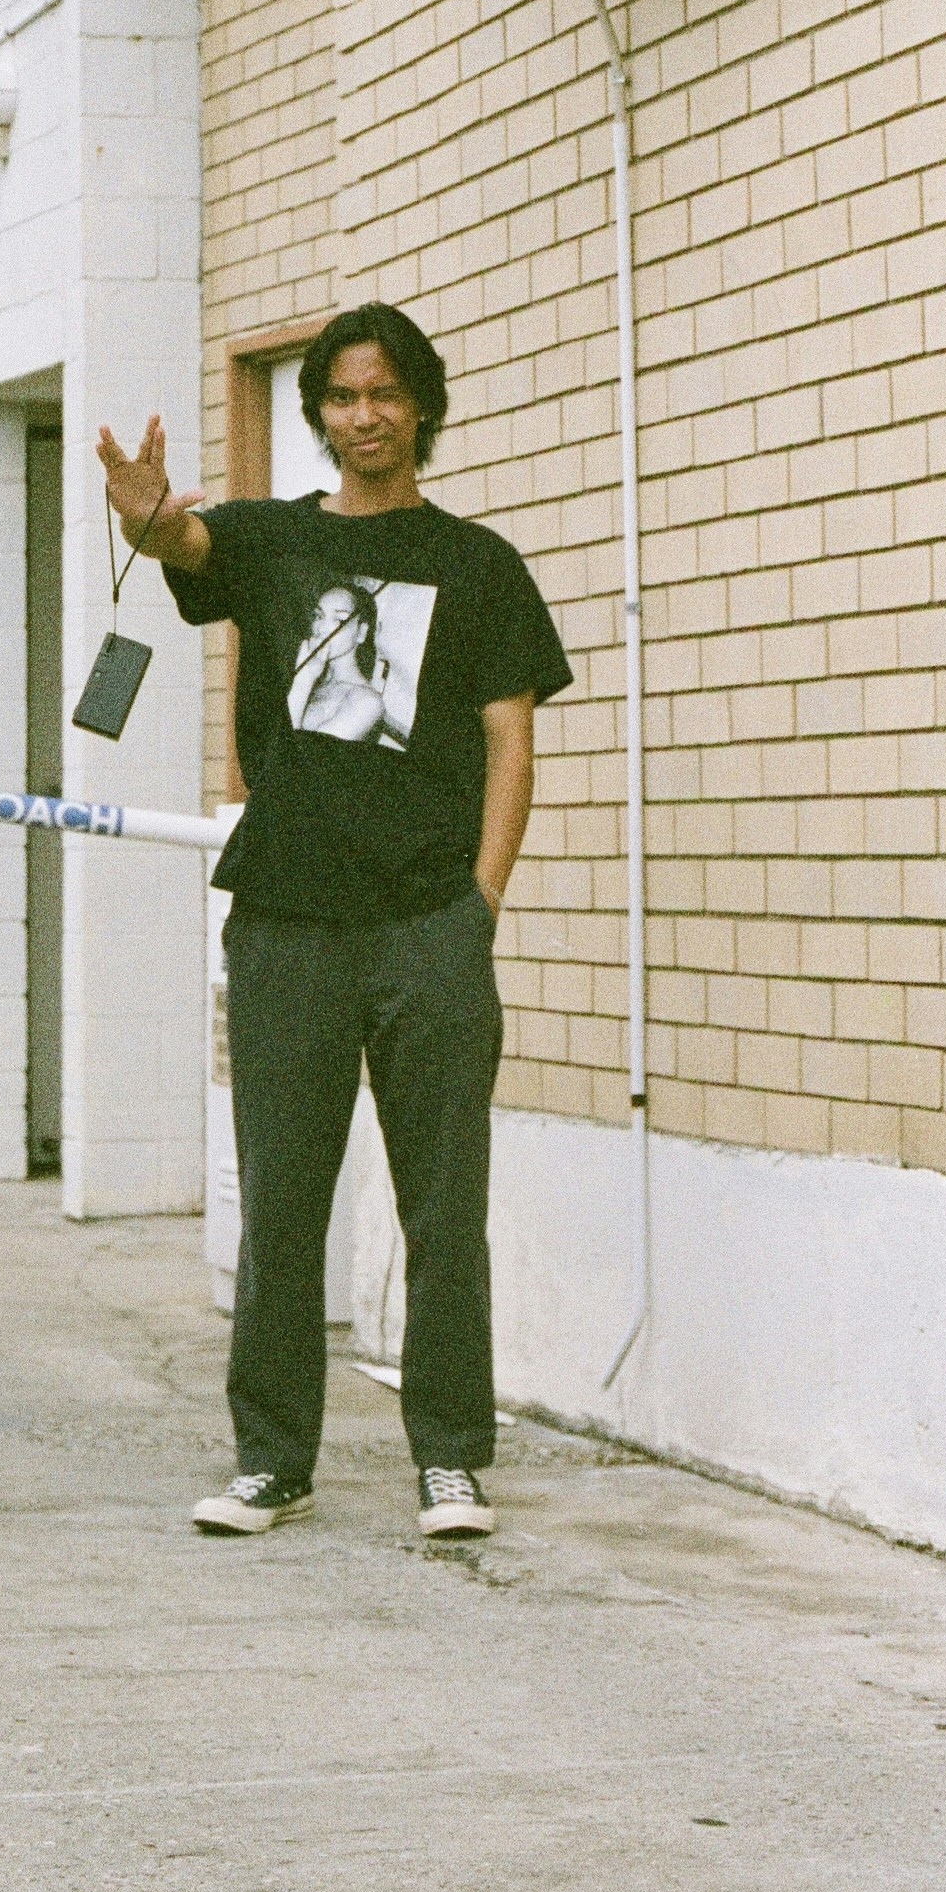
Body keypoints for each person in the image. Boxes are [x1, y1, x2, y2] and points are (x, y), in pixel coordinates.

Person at [96, 303, 571, 1541]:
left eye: (383, 395)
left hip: (425, 923)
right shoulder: (267, 542)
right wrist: (140, 509)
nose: (361, 417)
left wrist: (477, 902)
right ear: (315, 415)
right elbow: (181, 538)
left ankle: (450, 1460)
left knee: (440, 1205)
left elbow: (509, 741)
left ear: (420, 407)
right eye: (340, 398)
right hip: (286, 922)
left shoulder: (477, 566)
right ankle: (270, 1460)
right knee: (281, 1199)